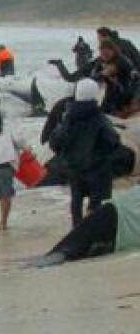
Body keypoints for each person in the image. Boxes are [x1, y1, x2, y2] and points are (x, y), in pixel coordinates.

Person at [48, 79, 121, 226]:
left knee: (76, 200)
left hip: (73, 168)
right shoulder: (99, 118)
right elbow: (112, 141)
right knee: (97, 203)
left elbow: (54, 142)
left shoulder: (67, 118)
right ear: (95, 95)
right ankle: (92, 233)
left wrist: (66, 156)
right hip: (98, 168)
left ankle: (77, 230)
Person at [49, 39, 137, 116]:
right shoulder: (99, 61)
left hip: (124, 96)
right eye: (102, 54)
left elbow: (103, 75)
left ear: (113, 50)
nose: (105, 56)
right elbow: (73, 77)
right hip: (107, 95)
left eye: (107, 54)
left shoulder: (120, 62)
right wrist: (60, 66)